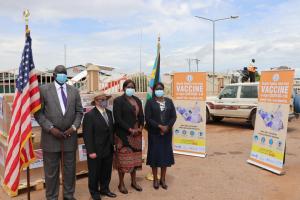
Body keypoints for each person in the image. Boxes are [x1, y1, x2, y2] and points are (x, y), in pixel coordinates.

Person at [34, 65, 83, 200]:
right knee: (51, 172)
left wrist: (73, 127)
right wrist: (50, 128)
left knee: (69, 170)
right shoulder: (43, 90)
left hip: (69, 137)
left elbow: (79, 111)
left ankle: (68, 195)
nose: (62, 76)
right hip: (51, 138)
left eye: (64, 73)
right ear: (54, 75)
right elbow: (38, 113)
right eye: (60, 73)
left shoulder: (74, 91)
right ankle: (52, 197)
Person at [83, 91, 117, 200]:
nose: (104, 101)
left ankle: (105, 189)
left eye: (105, 99)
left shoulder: (109, 113)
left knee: (106, 171)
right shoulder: (89, 115)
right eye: (101, 99)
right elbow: (87, 135)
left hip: (108, 148)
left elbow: (111, 130)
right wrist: (91, 151)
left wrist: (114, 144)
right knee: (94, 173)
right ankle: (94, 193)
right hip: (96, 150)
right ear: (96, 102)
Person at [113, 79, 144, 194]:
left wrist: (140, 127)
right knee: (122, 160)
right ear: (124, 88)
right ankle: (121, 183)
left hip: (137, 135)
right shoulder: (118, 101)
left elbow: (141, 116)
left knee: (135, 160)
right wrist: (130, 129)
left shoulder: (137, 100)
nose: (131, 89)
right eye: (128, 86)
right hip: (123, 135)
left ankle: (134, 181)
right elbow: (118, 118)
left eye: (132, 87)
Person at [145, 82, 177, 190]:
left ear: (163, 90)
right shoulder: (150, 102)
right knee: (155, 156)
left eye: (161, 89)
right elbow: (148, 118)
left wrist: (167, 127)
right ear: (154, 91)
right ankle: (155, 179)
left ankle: (163, 179)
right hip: (154, 134)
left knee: (165, 156)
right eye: (157, 89)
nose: (159, 90)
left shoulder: (169, 101)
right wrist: (159, 126)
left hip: (167, 134)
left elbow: (174, 116)